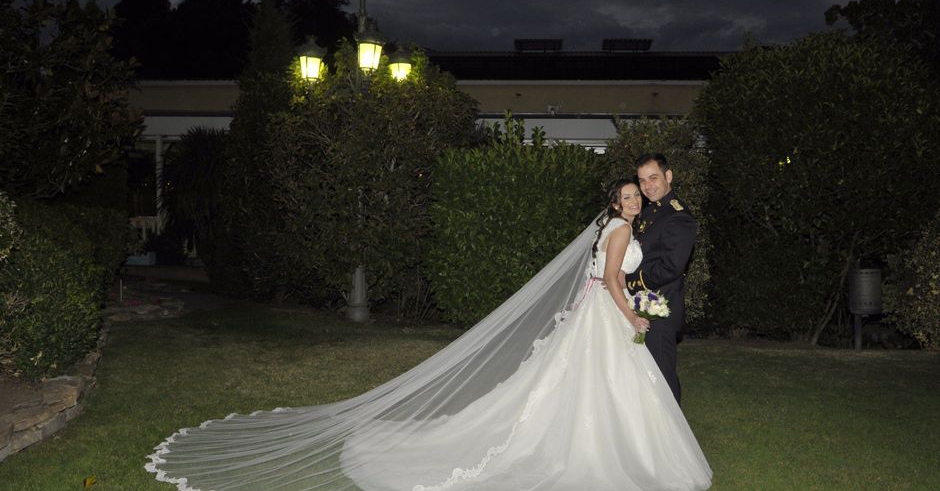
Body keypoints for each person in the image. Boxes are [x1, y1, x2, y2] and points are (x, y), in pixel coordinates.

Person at [146, 179, 711, 491]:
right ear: (616, 202)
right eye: (629, 196)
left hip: (594, 315)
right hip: (607, 315)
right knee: (599, 386)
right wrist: (634, 315)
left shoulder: (609, 227)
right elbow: (612, 279)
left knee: (576, 385)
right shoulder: (618, 230)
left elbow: (602, 275)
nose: (634, 201)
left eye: (638, 195)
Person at [623, 153, 698, 404]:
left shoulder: (679, 216)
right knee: (644, 377)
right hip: (641, 307)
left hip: (660, 310)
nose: (647, 186)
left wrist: (629, 282)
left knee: (662, 378)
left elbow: (670, 268)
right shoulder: (650, 211)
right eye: (642, 180)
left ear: (668, 176)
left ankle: (674, 439)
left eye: (653, 178)